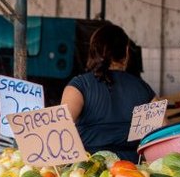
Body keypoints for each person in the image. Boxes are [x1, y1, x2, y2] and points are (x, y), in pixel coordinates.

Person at [61, 24, 155, 162]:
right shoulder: (143, 88)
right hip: (132, 171)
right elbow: (160, 132)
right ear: (127, 52)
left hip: (88, 172)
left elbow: (59, 130)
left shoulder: (78, 86)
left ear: (93, 51)